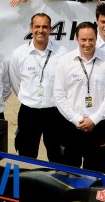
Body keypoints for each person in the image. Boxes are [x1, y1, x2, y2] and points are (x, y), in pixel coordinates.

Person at [54, 21, 105, 172]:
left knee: (96, 172)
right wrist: (76, 119)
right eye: (83, 40)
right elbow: (59, 94)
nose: (87, 43)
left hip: (98, 126)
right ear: (76, 39)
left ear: (96, 39)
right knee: (69, 173)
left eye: (91, 39)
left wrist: (94, 119)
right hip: (72, 126)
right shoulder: (65, 62)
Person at [9, 13, 64, 161]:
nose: (41, 30)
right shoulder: (19, 54)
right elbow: (16, 82)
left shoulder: (62, 54)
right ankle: (27, 185)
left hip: (54, 113)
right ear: (31, 28)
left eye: (45, 27)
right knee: (26, 156)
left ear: (51, 29)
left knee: (57, 156)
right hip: (29, 113)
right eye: (37, 26)